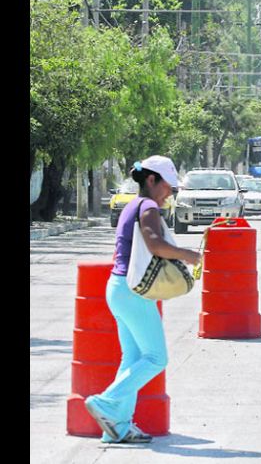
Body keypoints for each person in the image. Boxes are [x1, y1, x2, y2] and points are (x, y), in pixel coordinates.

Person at [84, 155, 201, 444]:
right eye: (168, 187)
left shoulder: (132, 205)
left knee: (133, 358)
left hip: (118, 288)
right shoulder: (148, 206)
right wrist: (191, 256)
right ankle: (106, 402)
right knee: (156, 358)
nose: (169, 194)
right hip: (133, 291)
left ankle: (117, 428)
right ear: (151, 180)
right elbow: (155, 244)